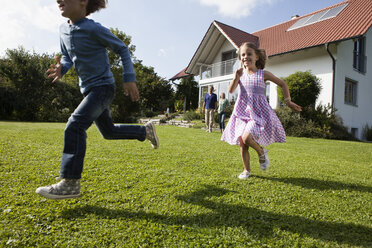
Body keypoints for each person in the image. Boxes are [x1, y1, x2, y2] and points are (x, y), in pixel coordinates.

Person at [36, 0, 159, 200]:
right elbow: (67, 57)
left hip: (103, 87)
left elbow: (122, 49)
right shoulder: (62, 30)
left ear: (83, 1)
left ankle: (70, 182)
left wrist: (129, 78)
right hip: (88, 90)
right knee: (108, 132)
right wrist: (62, 68)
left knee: (74, 126)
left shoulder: (93, 29)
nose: (58, 0)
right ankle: (145, 131)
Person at [221, 42, 302, 179]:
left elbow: (282, 84)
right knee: (242, 142)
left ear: (257, 57)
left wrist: (288, 101)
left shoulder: (263, 74)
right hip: (242, 112)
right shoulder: (240, 75)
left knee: (247, 138)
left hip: (258, 113)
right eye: (243, 55)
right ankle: (246, 170)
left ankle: (261, 152)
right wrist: (235, 77)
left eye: (249, 54)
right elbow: (231, 90)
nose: (246, 57)